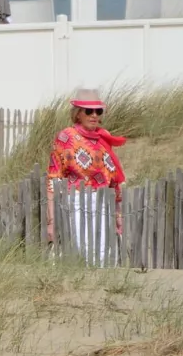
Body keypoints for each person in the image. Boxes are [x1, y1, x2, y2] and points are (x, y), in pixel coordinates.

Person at [46, 90, 127, 264]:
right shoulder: (66, 137)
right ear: (78, 114)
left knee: (104, 252)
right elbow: (54, 176)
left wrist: (118, 212)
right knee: (81, 249)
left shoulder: (103, 139)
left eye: (98, 111)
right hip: (75, 199)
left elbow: (113, 180)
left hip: (103, 201)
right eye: (89, 111)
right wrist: (51, 220)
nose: (94, 115)